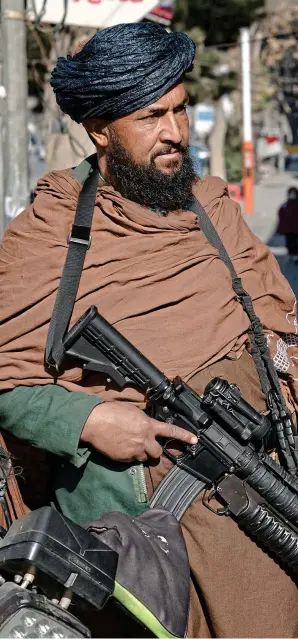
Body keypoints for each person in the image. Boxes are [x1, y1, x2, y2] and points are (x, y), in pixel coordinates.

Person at [1, 22, 298, 637]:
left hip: (260, 494)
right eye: (152, 117)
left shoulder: (212, 210)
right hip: (145, 540)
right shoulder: (48, 235)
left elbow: (281, 327)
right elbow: (7, 383)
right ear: (100, 129)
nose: (176, 134)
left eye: (181, 110)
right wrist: (89, 422)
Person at [277, 186, 298, 261]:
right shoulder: (285, 205)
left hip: (296, 229)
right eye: (291, 193)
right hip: (288, 229)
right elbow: (281, 216)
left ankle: (295, 255)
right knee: (289, 242)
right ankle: (291, 255)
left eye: (294, 193)